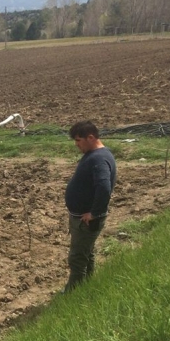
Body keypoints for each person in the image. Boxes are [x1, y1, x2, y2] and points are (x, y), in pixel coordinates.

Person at [63, 120, 117, 292]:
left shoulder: (99, 159)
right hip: (83, 217)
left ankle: (73, 293)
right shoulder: (95, 154)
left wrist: (94, 213)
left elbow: (104, 186)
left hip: (86, 220)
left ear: (91, 137)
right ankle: (88, 286)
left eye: (79, 140)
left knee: (78, 257)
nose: (76, 144)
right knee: (87, 253)